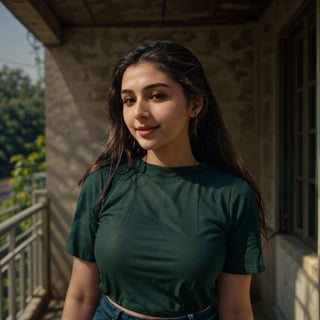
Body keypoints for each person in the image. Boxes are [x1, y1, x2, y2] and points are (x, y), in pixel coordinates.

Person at [62, 40, 267, 320]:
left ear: (195, 104)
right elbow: (81, 295)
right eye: (129, 100)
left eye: (157, 96)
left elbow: (236, 308)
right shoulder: (102, 184)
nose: (139, 113)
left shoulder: (231, 194)